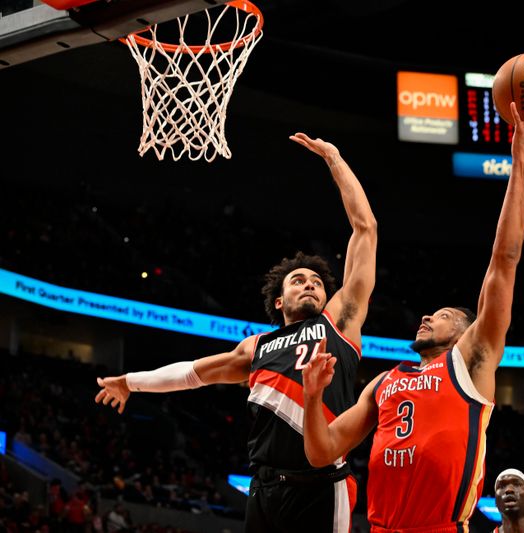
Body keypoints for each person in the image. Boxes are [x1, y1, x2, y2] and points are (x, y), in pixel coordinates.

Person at [94, 132, 377, 533]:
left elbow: (365, 229)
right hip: (262, 489)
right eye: (298, 280)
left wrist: (334, 158)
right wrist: (130, 382)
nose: (310, 284)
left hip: (321, 485)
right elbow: (193, 373)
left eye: (317, 281)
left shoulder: (340, 321)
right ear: (278, 301)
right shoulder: (256, 347)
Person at [302, 96, 524, 532]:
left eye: (441, 315)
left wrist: (520, 165)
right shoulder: (387, 381)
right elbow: (321, 450)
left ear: (464, 331)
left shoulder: (471, 361)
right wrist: (312, 398)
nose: (426, 317)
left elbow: (505, 258)